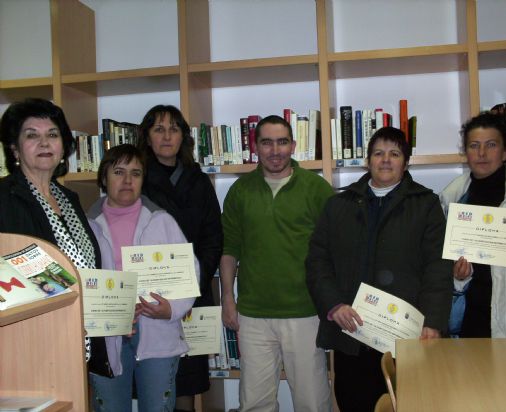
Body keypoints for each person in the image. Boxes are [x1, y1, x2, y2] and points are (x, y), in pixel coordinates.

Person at [306, 126, 453, 412]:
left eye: (394, 153)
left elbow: (438, 268)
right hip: (352, 332)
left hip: (406, 335)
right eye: (378, 153)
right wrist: (334, 305)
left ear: (406, 162)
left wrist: (433, 322)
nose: (386, 160)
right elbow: (317, 261)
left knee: (407, 405)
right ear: (368, 160)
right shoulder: (338, 205)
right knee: (353, 402)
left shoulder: (425, 205)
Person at [221, 115, 334, 412]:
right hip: (253, 315)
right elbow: (230, 249)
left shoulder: (316, 189)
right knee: (255, 403)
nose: (275, 150)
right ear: (256, 146)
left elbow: (335, 249)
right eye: (267, 142)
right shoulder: (240, 191)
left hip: (305, 312)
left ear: (294, 145)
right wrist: (227, 300)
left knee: (312, 402)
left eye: (282, 142)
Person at [0, 97, 111, 377]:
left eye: (52, 134)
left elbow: (85, 265)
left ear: (64, 146)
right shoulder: (4, 197)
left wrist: (112, 308)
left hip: (75, 336)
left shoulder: (70, 199)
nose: (44, 143)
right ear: (14, 148)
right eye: (31, 135)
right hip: (26, 336)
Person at [87, 144, 200, 412]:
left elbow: (189, 271)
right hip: (107, 335)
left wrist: (171, 309)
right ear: (104, 177)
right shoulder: (85, 223)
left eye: (136, 173)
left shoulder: (162, 221)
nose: (127, 180)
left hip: (157, 330)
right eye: (119, 172)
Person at [137, 105, 222, 412]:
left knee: (188, 380)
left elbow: (214, 237)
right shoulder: (138, 180)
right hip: (151, 297)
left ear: (183, 137)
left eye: (174, 129)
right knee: (156, 380)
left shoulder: (198, 180)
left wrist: (193, 281)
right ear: (147, 137)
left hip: (192, 294)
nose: (167, 136)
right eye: (159, 129)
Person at [440, 112, 506, 338]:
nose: (481, 153)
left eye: (491, 144)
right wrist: (457, 276)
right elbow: (435, 266)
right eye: (474, 145)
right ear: (465, 152)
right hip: (468, 323)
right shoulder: (450, 198)